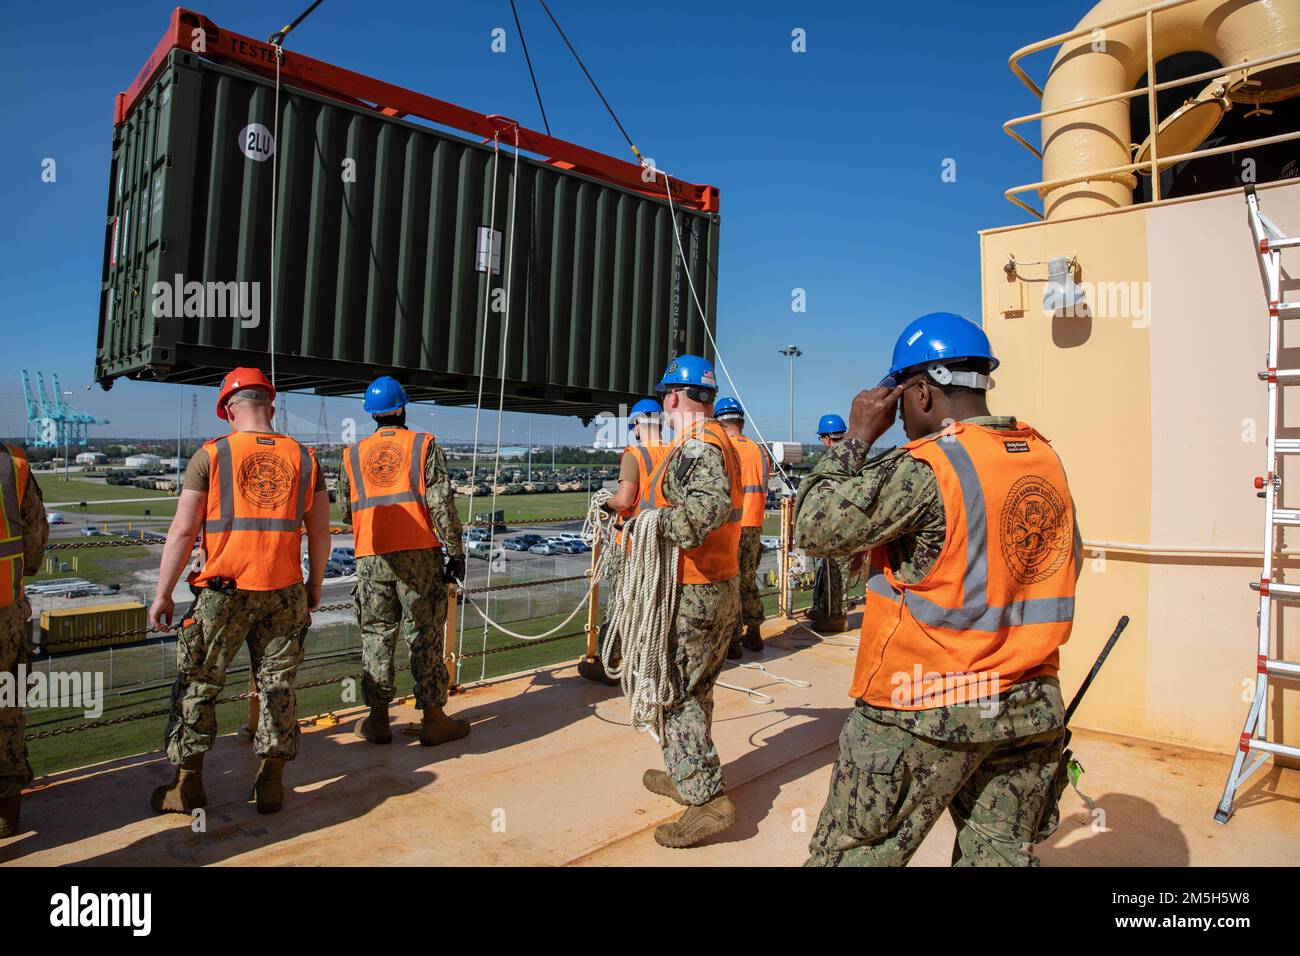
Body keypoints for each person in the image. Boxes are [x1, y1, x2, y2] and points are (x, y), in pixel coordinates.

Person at [796, 312, 1081, 866]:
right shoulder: (1045, 458)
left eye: (900, 398)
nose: (899, 413)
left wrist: (855, 437)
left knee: (854, 856)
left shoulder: (929, 466)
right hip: (1029, 708)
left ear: (921, 392)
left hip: (923, 709)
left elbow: (814, 525)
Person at [148, 367, 330, 815]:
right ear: (271, 405)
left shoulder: (211, 456)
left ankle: (187, 787)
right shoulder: (306, 459)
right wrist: (314, 585)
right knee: (278, 687)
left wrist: (163, 593)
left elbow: (182, 530)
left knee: (198, 684)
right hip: (284, 589)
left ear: (229, 410)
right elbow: (321, 533)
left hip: (223, 592)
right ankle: (270, 784)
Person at [633, 355, 743, 848]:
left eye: (664, 396)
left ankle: (707, 799)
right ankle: (686, 772)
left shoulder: (698, 445)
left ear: (674, 397)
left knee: (677, 692)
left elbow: (707, 506)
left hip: (694, 586)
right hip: (719, 580)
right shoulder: (724, 438)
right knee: (696, 688)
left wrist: (655, 528)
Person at [340, 375, 469, 746]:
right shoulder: (423, 446)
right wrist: (455, 552)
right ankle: (433, 718)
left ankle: (378, 719)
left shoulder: (352, 454)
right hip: (419, 555)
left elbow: (345, 509)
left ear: (372, 414)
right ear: (402, 407)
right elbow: (441, 503)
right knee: (424, 634)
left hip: (371, 555)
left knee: (377, 636)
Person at [580, 398, 668, 685]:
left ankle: (611, 664)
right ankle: (649, 663)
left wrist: (606, 505)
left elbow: (624, 500)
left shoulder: (634, 455)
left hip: (631, 543)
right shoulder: (673, 452)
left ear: (638, 424)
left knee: (621, 604)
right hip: (661, 543)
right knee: (653, 603)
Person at [0, 443, 48, 837]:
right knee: (6, 709)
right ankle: (5, 807)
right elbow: (33, 541)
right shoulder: (12, 465)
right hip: (3, 611)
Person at [714, 397, 770, 657]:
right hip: (754, 523)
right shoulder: (759, 450)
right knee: (748, 578)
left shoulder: (724, 449)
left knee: (730, 581)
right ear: (741, 422)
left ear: (719, 423)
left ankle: (733, 639)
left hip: (731, 524)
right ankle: (755, 630)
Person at [803, 413, 853, 632]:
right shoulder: (854, 456)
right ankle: (826, 610)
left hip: (834, 525)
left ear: (826, 437)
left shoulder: (831, 460)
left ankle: (835, 618)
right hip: (852, 523)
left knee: (836, 574)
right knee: (836, 572)